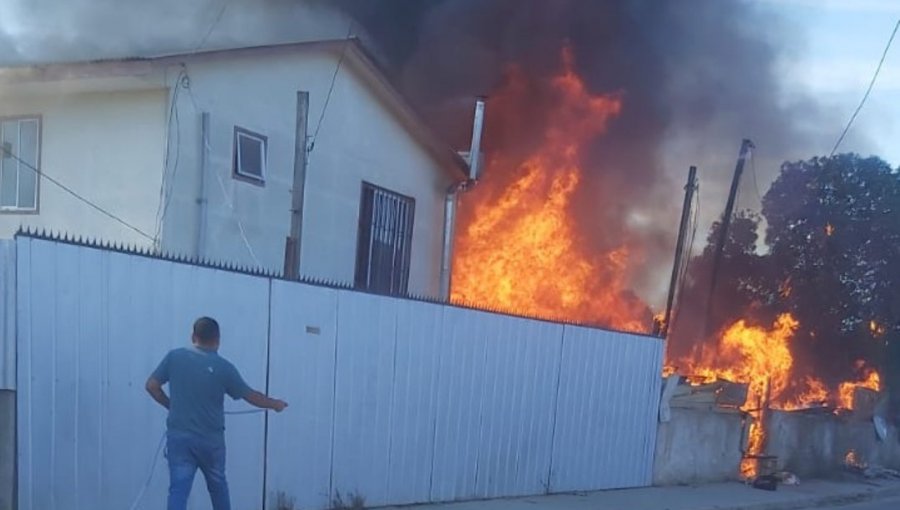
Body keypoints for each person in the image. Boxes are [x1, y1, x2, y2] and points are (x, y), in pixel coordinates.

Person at [145, 317, 288, 510]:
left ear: (193, 336)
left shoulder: (174, 357)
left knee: (178, 491)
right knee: (218, 488)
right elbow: (250, 395)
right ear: (218, 339)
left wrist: (171, 406)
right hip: (211, 442)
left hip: (179, 438)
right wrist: (275, 404)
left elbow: (152, 386)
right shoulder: (223, 367)